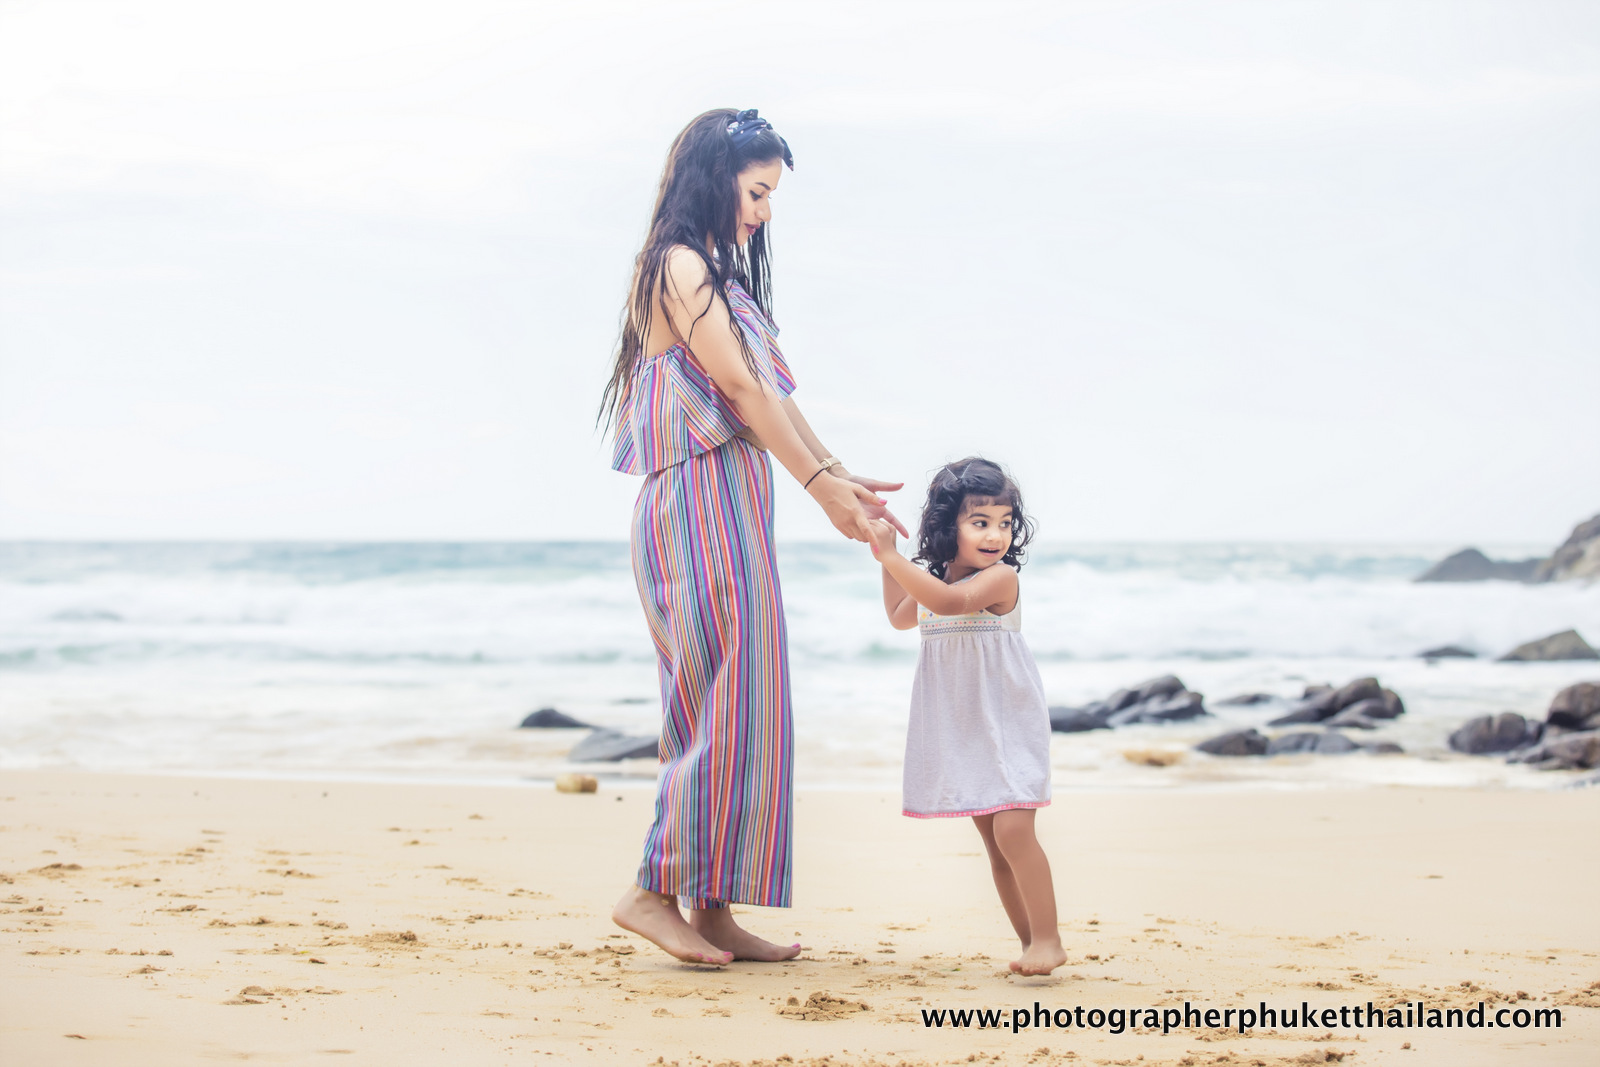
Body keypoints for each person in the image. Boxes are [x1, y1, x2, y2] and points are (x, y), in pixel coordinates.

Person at [602, 108, 906, 966]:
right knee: (722, 698)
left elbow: (771, 396)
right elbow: (737, 389)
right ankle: (652, 889)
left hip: (730, 498)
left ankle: (712, 906)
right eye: (758, 191)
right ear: (715, 179)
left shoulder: (718, 279)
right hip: (695, 500)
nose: (765, 212)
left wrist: (836, 473)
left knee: (744, 699)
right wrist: (819, 489)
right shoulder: (678, 266)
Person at [866, 457, 1067, 976]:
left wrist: (892, 557)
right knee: (996, 846)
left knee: (1015, 832)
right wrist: (884, 555)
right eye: (980, 522)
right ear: (945, 524)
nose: (996, 535)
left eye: (1005, 522)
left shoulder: (999, 578)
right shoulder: (933, 581)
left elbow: (951, 603)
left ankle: (1049, 940)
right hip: (967, 730)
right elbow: (899, 617)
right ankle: (1031, 943)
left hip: (1009, 724)